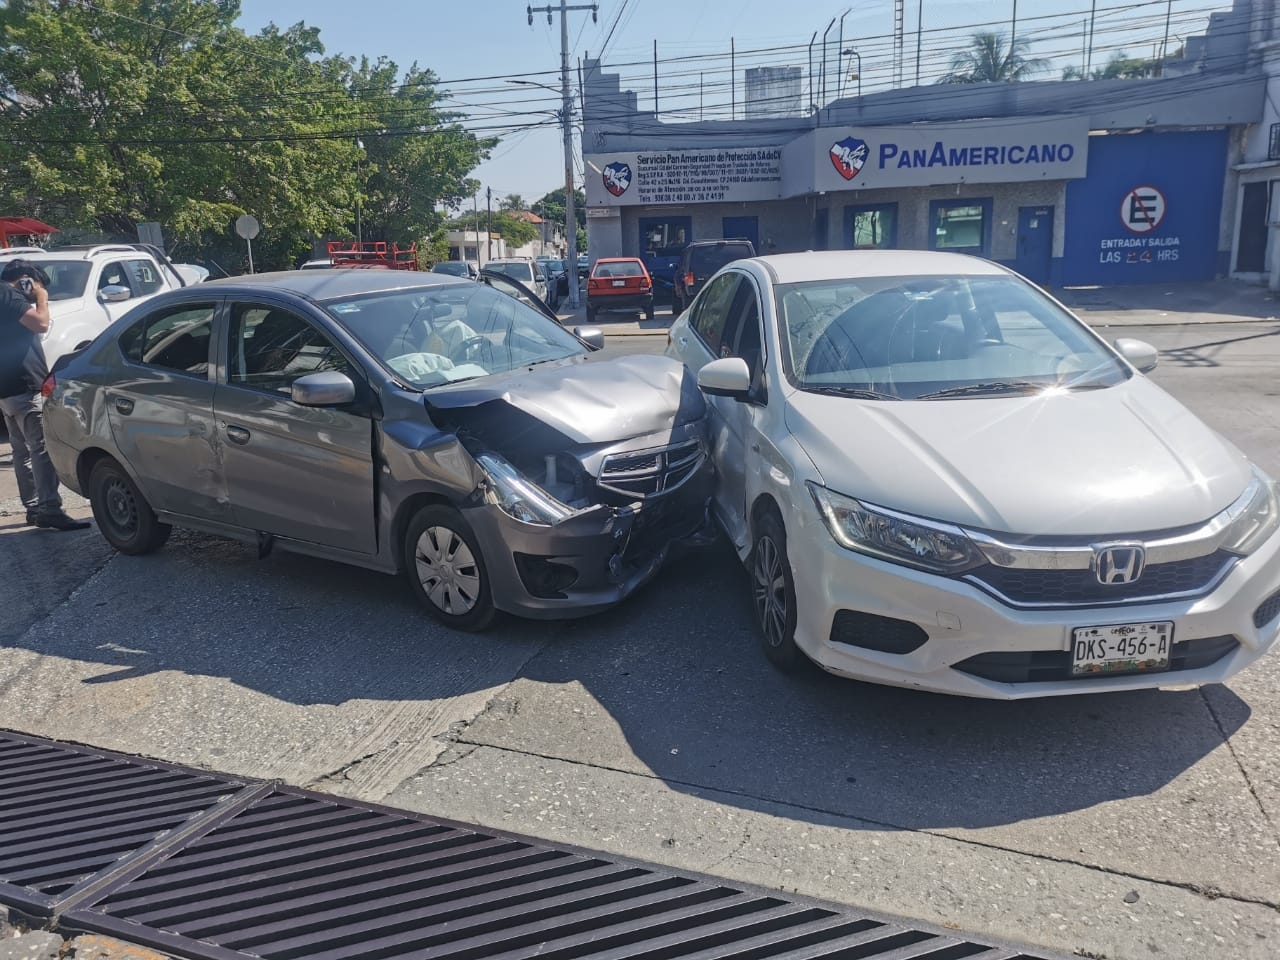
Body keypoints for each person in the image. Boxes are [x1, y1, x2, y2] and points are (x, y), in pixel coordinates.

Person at [0, 259, 90, 531]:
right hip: (25, 383)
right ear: (25, 279)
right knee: (40, 448)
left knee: (21, 450)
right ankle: (49, 507)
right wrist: (42, 298)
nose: (34, 290)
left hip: (7, 385)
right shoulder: (8, 293)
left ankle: (33, 507)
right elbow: (40, 323)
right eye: (33, 284)